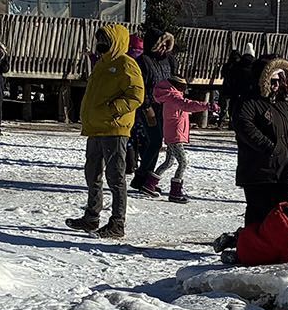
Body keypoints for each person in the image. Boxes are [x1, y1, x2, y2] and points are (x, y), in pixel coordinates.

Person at [67, 23, 144, 239]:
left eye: (105, 41)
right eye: (99, 41)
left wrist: (113, 110)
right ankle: (92, 216)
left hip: (114, 128)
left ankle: (117, 223)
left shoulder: (126, 64)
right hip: (95, 128)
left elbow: (136, 95)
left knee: (115, 176)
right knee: (92, 174)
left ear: (116, 41)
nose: (101, 45)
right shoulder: (101, 64)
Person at [231, 55, 288, 227]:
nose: (276, 85)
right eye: (272, 80)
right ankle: (251, 248)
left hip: (283, 170)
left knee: (279, 213)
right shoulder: (249, 102)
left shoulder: (283, 104)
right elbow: (243, 126)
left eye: (279, 80)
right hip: (259, 170)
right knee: (258, 214)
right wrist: (270, 147)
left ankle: (273, 247)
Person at [153, 76, 212, 204]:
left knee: (168, 162)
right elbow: (187, 105)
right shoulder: (174, 97)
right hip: (175, 135)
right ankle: (175, 192)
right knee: (183, 162)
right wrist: (207, 106)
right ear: (177, 86)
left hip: (173, 134)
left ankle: (150, 184)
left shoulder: (171, 95)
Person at [130, 31, 175, 193]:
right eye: (160, 44)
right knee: (155, 141)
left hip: (166, 107)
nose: (163, 47)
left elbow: (174, 80)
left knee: (156, 142)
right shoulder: (143, 61)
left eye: (166, 44)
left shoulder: (169, 60)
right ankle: (142, 177)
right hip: (149, 107)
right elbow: (140, 86)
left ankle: (146, 180)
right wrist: (147, 107)